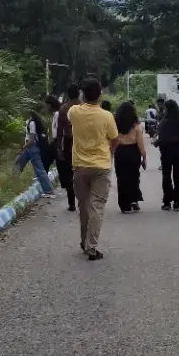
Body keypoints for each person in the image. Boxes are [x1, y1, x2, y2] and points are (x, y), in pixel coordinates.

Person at [67, 76, 119, 259]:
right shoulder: (107, 116)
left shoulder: (73, 112)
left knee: (84, 207)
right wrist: (109, 154)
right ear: (100, 95)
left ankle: (83, 240)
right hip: (101, 167)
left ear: (82, 94)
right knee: (97, 207)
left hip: (80, 167)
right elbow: (115, 138)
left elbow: (72, 117)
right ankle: (91, 246)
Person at [114, 99, 147, 212]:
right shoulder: (136, 126)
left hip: (120, 152)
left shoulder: (115, 125)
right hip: (133, 153)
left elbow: (112, 141)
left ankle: (124, 205)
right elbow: (140, 143)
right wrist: (144, 157)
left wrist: (110, 152)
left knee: (121, 178)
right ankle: (134, 200)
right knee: (134, 177)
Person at [156, 98, 179, 209]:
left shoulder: (163, 123)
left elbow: (162, 139)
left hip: (166, 153)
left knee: (166, 177)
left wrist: (157, 142)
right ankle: (177, 202)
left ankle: (167, 201)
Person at [15, 104, 55, 195]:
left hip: (32, 147)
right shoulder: (28, 121)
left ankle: (49, 190)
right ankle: (13, 183)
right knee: (18, 162)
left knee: (39, 170)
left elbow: (32, 139)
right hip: (28, 147)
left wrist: (23, 147)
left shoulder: (32, 123)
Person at [54, 85, 77, 211]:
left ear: (67, 94)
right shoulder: (83, 107)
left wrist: (59, 149)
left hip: (69, 142)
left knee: (69, 174)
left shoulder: (63, 109)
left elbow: (59, 131)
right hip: (83, 142)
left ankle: (71, 203)